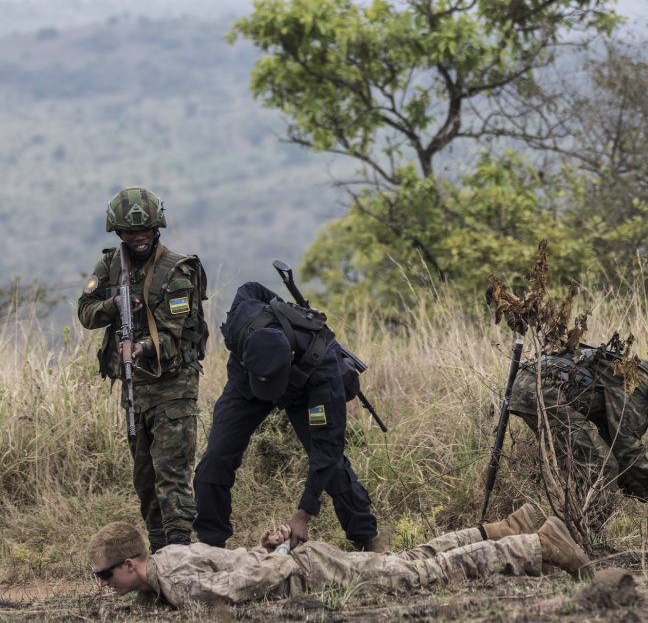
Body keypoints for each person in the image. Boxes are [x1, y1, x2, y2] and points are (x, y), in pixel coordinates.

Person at [89, 503, 591, 607]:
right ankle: (505, 529)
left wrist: (281, 554)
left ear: (130, 564)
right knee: (408, 562)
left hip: (307, 573)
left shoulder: (175, 583)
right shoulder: (168, 556)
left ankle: (537, 545)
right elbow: (235, 562)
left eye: (105, 576)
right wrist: (268, 549)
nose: (104, 585)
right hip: (303, 563)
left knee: (421, 577)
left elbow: (241, 588)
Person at [194, 281, 382, 552]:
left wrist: (304, 514)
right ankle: (210, 546)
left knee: (331, 467)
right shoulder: (240, 325)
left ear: (291, 355)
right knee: (216, 456)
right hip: (247, 381)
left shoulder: (322, 365)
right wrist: (282, 309)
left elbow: (327, 447)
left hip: (303, 388)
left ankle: (367, 538)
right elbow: (251, 288)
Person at [78, 187, 209, 552]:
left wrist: (141, 348)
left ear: (157, 228)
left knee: (172, 471)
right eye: (130, 231)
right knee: (145, 478)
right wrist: (114, 305)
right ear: (118, 232)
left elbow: (178, 336)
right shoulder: (110, 267)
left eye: (146, 230)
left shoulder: (177, 271)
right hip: (135, 387)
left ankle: (178, 548)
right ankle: (159, 548)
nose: (139, 237)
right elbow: (85, 312)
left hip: (173, 385)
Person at [508, 330, 648, 512]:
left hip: (537, 386)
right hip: (541, 390)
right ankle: (585, 533)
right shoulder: (637, 384)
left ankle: (575, 526)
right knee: (602, 467)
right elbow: (626, 447)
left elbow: (616, 449)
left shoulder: (635, 375)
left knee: (599, 461)